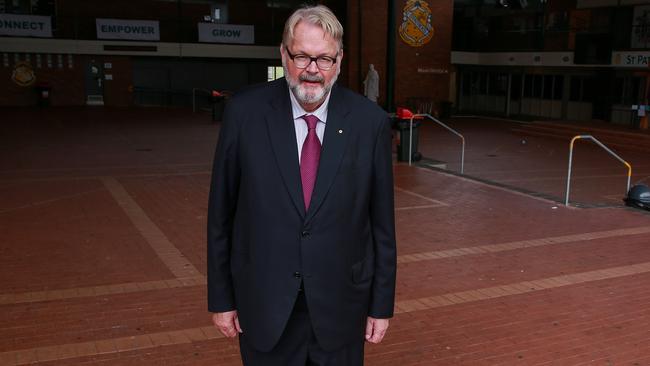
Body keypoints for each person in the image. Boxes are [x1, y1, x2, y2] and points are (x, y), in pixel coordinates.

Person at [207, 5, 396, 366]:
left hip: (341, 309)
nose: (312, 70)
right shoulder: (245, 113)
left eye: (324, 58)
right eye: (302, 56)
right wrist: (221, 300)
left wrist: (381, 305)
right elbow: (222, 214)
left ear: (339, 60)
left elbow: (381, 226)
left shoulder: (369, 123)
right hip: (265, 307)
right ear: (283, 54)